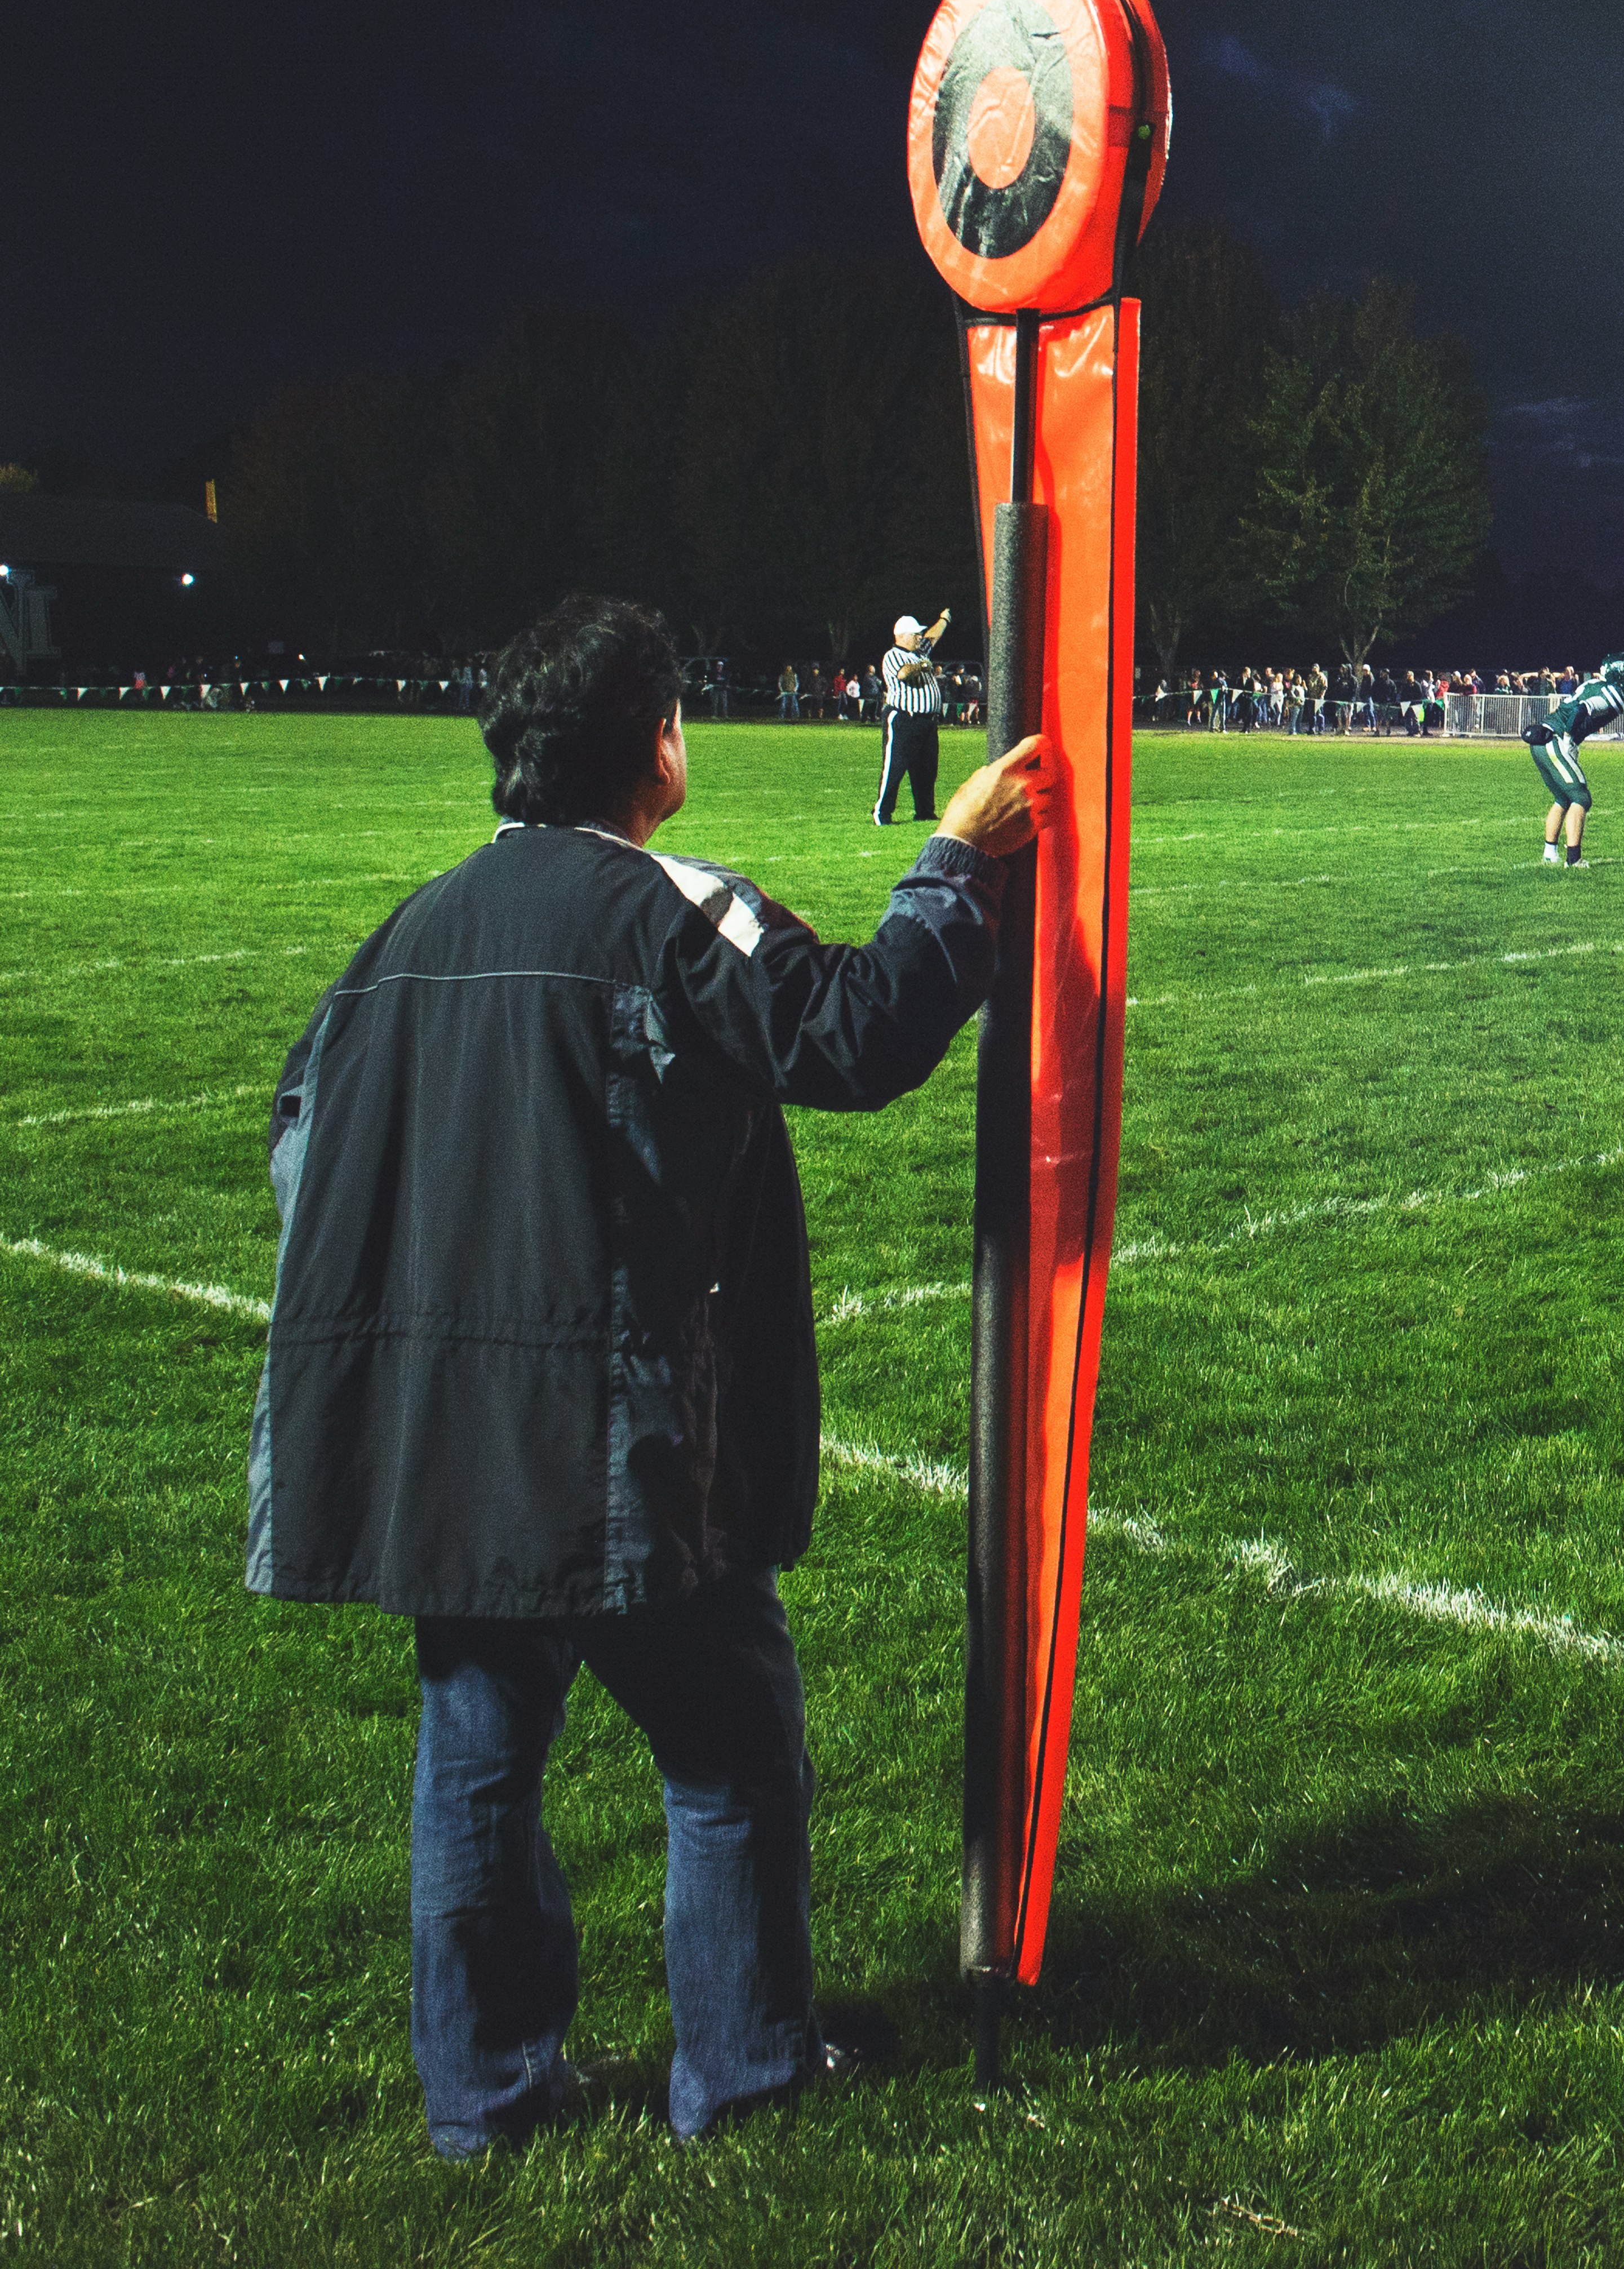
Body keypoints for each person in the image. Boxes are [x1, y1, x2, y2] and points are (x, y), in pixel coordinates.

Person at [249, 595, 1046, 2160]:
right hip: (608, 1433)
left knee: (477, 1761)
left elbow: (300, 1134)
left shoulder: (411, 929)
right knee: (732, 1740)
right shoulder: (672, 911)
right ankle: (740, 2071)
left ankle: (485, 2098)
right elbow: (858, 1035)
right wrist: (955, 857)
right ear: (659, 743)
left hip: (445, 1438)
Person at [1527, 654, 1624, 865]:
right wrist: (1569, 739)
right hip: (1556, 740)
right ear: (1620, 674)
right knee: (1581, 797)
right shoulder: (1613, 694)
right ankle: (1574, 860)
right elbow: (1581, 709)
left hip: (1543, 739)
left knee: (1563, 799)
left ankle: (1550, 855)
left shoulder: (1596, 683)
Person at [873, 610, 949, 825]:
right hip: (905, 718)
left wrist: (944, 619)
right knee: (895, 767)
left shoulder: (920, 651)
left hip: (927, 721)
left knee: (926, 769)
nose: (919, 637)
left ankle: (925, 811)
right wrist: (923, 666)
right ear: (902, 636)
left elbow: (934, 635)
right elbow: (904, 674)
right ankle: (882, 813)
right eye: (915, 634)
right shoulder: (893, 655)